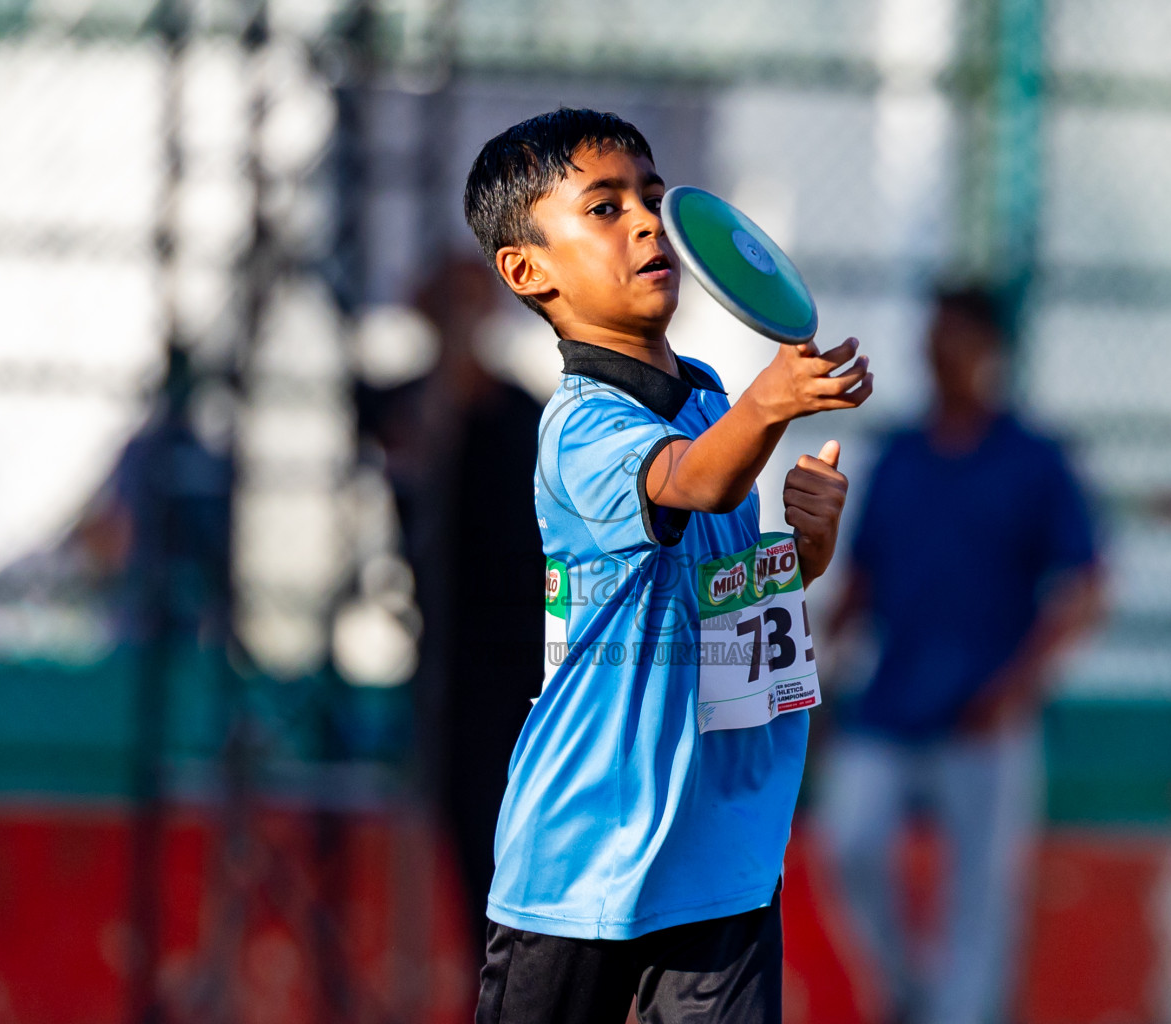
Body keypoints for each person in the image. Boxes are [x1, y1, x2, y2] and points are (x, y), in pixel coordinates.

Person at [462, 108, 872, 1024]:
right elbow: (695, 483)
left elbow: (719, 612)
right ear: (527, 271)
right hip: (584, 854)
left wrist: (798, 560)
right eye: (603, 209)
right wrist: (768, 409)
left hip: (719, 857)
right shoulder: (578, 427)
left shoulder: (713, 401)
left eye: (649, 198)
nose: (648, 222)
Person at [817, 287, 1105, 1024]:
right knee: (847, 843)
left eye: (956, 339)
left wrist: (1017, 688)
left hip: (985, 719)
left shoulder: (1033, 460)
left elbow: (1086, 586)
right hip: (892, 704)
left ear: (989, 351)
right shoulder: (902, 456)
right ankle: (906, 996)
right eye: (933, 338)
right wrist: (807, 668)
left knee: (978, 903)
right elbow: (863, 580)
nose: (940, 354)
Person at [354, 255, 546, 957]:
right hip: (449, 658)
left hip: (520, 659)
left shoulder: (522, 414)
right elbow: (393, 439)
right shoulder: (405, 406)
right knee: (467, 834)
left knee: (518, 836)